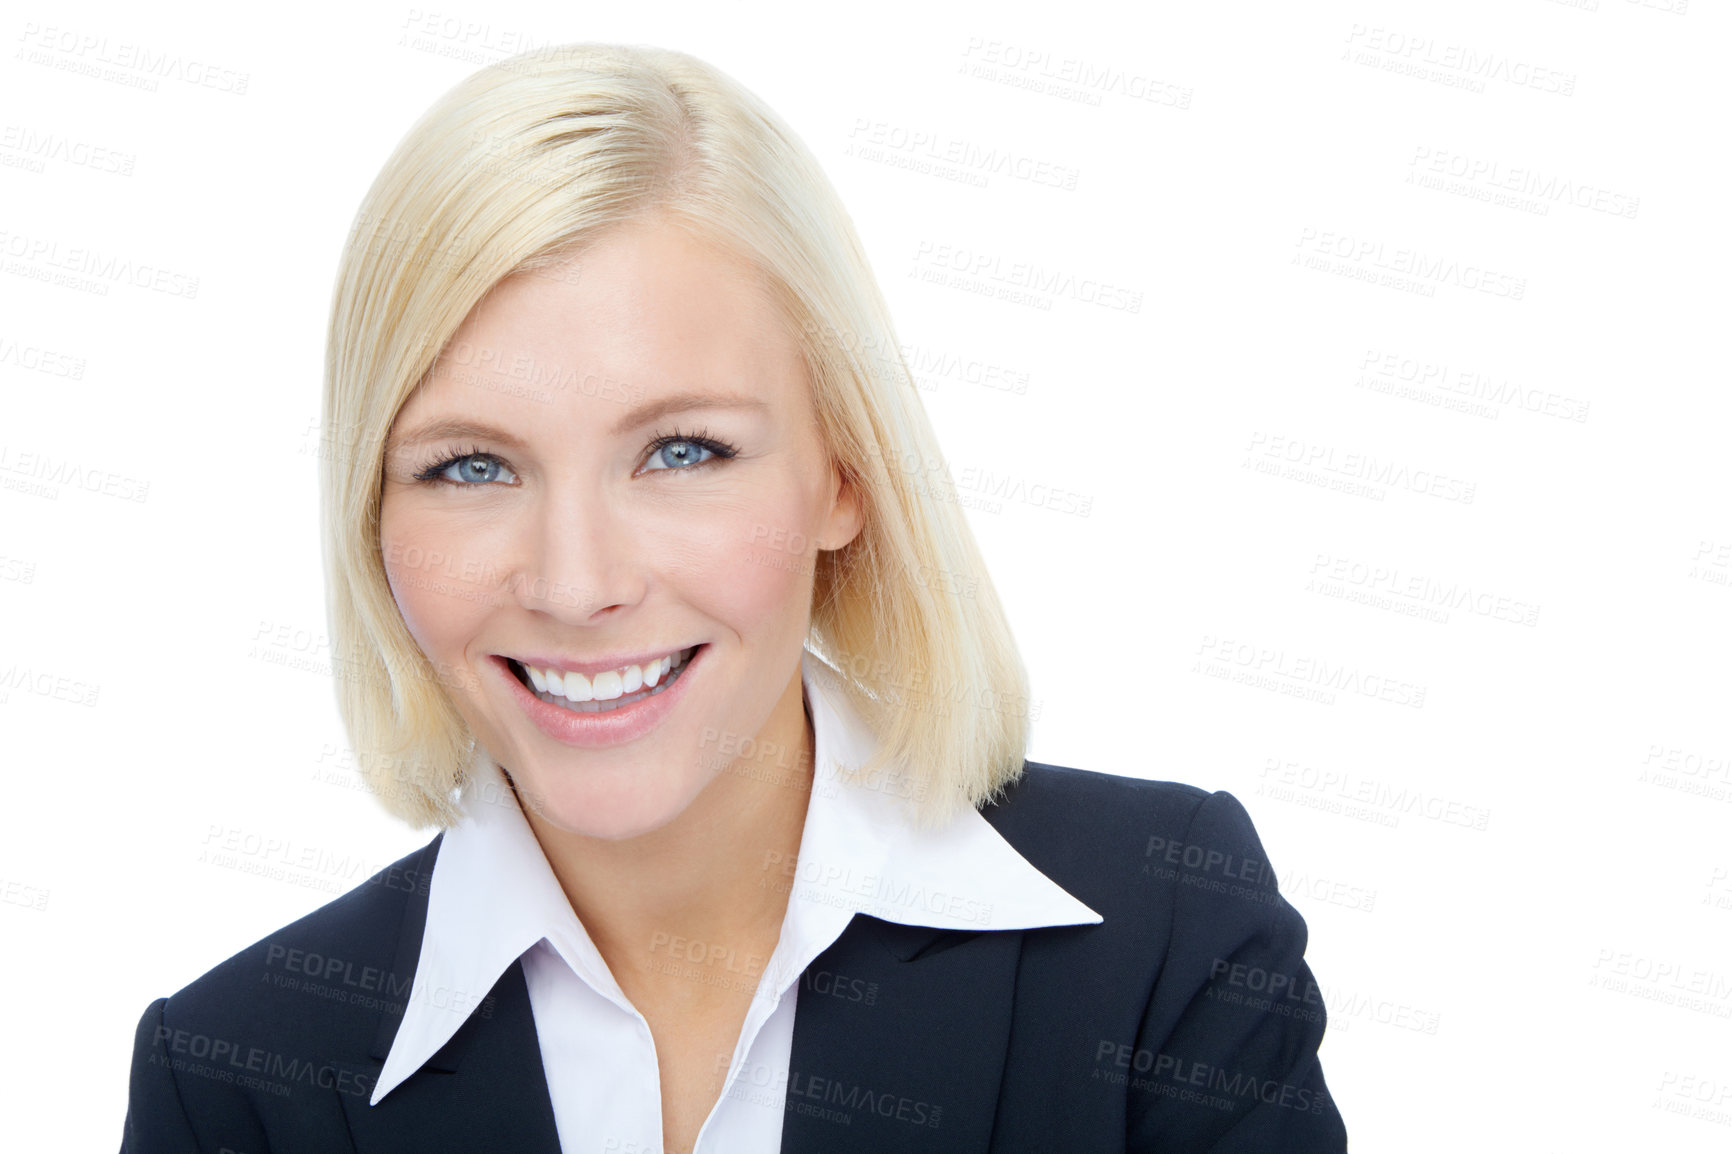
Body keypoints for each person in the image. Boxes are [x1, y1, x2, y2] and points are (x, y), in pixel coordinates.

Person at [120, 42, 1347, 1153]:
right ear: (371, 520)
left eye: (682, 451)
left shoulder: (1162, 943)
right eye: (470, 466)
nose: (577, 582)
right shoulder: (235, 1083)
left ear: (845, 475)